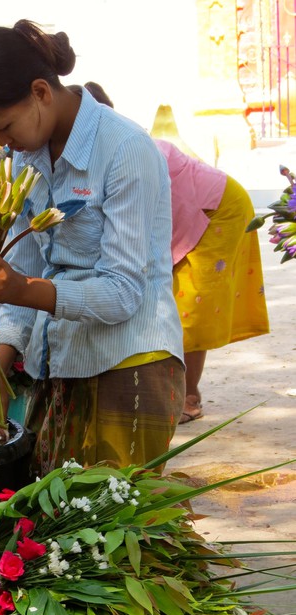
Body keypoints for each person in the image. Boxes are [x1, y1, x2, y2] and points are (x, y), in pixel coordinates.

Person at [0, 19, 185, 475]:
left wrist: (21, 289)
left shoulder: (125, 149)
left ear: (40, 92)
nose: (2, 143)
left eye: (4, 126)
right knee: (53, 528)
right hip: (59, 364)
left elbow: (121, 293)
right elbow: (20, 275)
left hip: (129, 366)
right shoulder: (26, 157)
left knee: (115, 533)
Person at [84, 82, 270, 424]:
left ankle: (188, 396)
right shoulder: (114, 151)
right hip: (206, 209)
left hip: (220, 211)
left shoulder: (134, 150)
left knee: (188, 309)